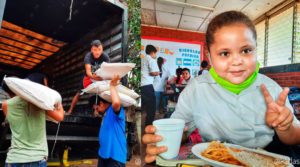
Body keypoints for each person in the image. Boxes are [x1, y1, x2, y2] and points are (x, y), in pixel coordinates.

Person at [142, 11, 300, 163]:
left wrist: (284, 127)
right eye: (225, 53)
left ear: (256, 50)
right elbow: (180, 132)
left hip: (268, 157)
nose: (237, 61)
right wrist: (163, 140)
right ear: (210, 56)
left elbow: (294, 137)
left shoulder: (271, 89)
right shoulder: (196, 89)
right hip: (214, 158)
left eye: (246, 50)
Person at [1, 79, 64, 167]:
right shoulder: (39, 103)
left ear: (7, 93)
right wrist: (59, 104)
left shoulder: (5, 105)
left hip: (14, 158)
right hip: (37, 157)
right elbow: (60, 117)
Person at [89, 75, 126, 167]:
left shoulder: (113, 111)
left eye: (97, 108)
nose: (96, 111)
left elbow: (117, 103)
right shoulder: (105, 114)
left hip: (115, 156)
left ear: (101, 103)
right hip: (103, 155)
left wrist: (112, 86)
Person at [67, 40, 110, 115]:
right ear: (91, 50)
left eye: (99, 49)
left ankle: (98, 112)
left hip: (100, 77)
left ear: (102, 49)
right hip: (88, 77)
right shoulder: (88, 57)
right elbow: (88, 73)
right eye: (95, 50)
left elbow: (108, 70)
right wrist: (95, 78)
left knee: (102, 93)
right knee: (78, 94)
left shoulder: (105, 57)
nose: (97, 52)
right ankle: (70, 111)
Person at [141, 45, 160, 126]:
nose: (155, 56)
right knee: (151, 108)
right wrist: (158, 73)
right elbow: (152, 72)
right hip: (148, 85)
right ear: (153, 53)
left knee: (142, 106)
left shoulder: (143, 59)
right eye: (155, 54)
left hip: (142, 85)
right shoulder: (151, 59)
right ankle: (148, 125)